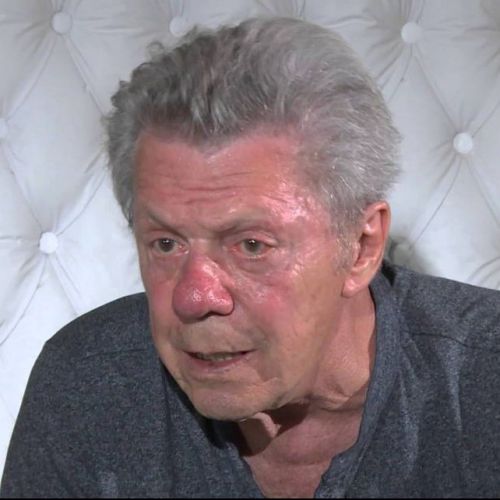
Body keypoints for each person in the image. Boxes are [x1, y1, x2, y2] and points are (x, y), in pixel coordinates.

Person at [1, 16, 499, 498]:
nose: (195, 297)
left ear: (361, 248)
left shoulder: (484, 378)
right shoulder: (87, 383)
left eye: (252, 245)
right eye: (166, 243)